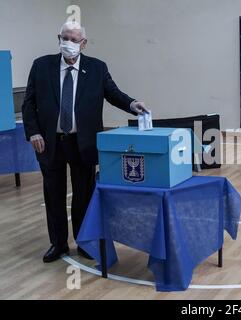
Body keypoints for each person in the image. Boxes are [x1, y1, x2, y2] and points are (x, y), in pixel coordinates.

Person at [22, 21, 149, 263]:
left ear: (84, 44)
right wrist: (33, 132)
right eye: (64, 37)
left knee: (83, 194)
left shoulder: (97, 68)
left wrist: (132, 104)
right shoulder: (41, 66)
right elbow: (29, 103)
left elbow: (113, 94)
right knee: (54, 194)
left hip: (83, 143)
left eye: (74, 39)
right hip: (50, 142)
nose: (68, 43)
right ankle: (58, 244)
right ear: (58, 37)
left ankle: (83, 241)